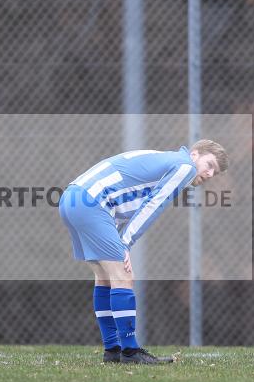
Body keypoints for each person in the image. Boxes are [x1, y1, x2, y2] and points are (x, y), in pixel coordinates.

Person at [58, 141, 228, 364]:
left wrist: (121, 238)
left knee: (105, 277)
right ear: (194, 154)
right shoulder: (185, 166)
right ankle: (130, 352)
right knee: (124, 277)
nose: (210, 173)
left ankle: (113, 350)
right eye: (209, 164)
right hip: (92, 202)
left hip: (73, 197)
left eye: (214, 172)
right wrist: (126, 242)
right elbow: (154, 204)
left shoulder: (167, 159)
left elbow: (122, 196)